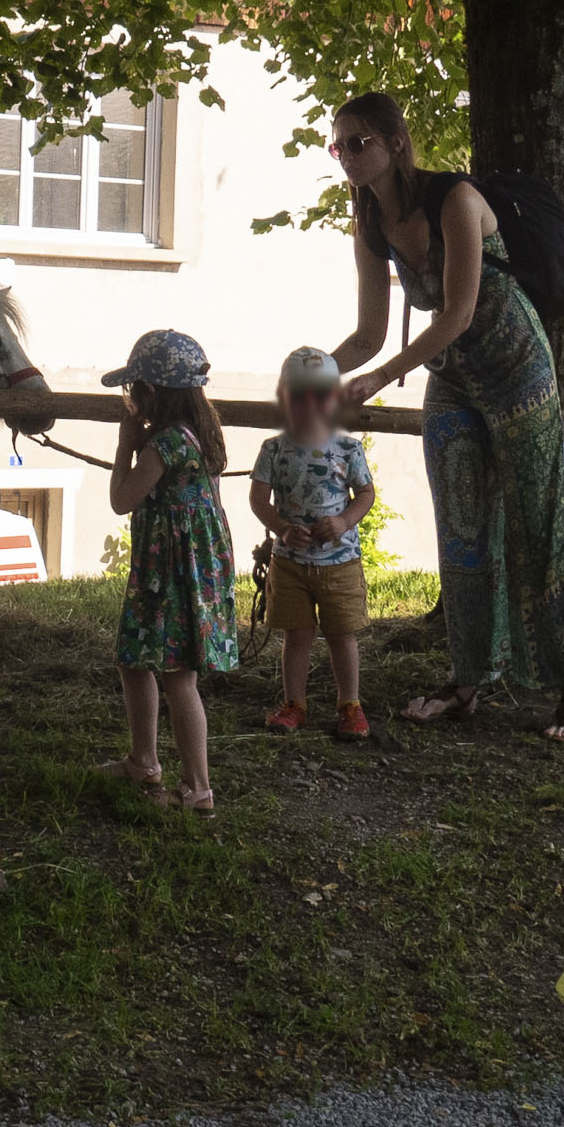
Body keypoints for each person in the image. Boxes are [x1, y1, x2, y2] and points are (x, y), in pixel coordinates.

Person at [325, 91, 564, 741]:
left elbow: (458, 313)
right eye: (338, 146)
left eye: (357, 143)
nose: (346, 158)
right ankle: (469, 677)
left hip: (516, 368)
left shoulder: (455, 199)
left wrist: (381, 378)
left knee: (540, 520)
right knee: (460, 525)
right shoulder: (368, 222)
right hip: (452, 380)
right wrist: (311, 374)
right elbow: (367, 335)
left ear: (395, 143)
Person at [97, 329, 238, 817]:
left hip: (171, 575)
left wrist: (124, 445)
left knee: (178, 676)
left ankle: (198, 789)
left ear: (151, 393)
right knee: (134, 660)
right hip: (180, 571)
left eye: (133, 389)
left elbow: (122, 500)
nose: (130, 399)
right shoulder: (202, 435)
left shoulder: (166, 444)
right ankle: (143, 761)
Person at [250, 346, 375, 740]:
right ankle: (294, 703)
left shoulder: (349, 448)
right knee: (297, 634)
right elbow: (258, 499)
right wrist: (282, 528)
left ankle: (350, 704)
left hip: (340, 562)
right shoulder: (274, 449)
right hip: (290, 562)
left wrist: (343, 521)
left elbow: (366, 495)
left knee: (341, 634)